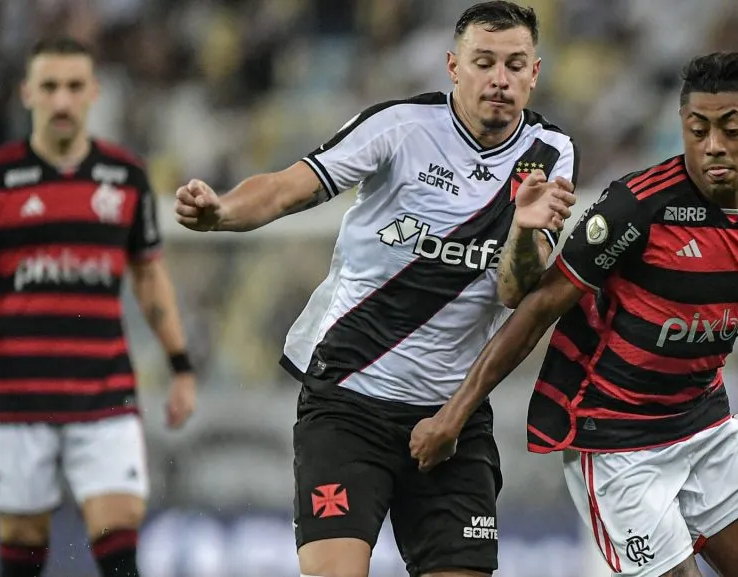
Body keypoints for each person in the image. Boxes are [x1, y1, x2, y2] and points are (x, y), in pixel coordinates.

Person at [409, 51, 738, 577]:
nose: (713, 145)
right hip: (614, 438)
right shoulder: (638, 205)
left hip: (704, 424)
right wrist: (452, 415)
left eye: (730, 129)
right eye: (698, 129)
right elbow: (537, 309)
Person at [174, 3, 577, 575]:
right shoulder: (399, 126)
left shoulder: (550, 154)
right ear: (452, 66)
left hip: (452, 414)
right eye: (483, 62)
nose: (499, 79)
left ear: (535, 72)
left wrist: (520, 229)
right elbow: (293, 186)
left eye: (515, 65)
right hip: (348, 401)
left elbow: (515, 289)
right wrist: (223, 211)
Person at [0, 37, 197, 577]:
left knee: (118, 529)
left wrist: (181, 365)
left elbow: (148, 275)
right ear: (28, 93)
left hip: (104, 388)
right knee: (23, 546)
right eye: (50, 86)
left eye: (75, 86)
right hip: (16, 393)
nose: (63, 100)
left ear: (93, 91)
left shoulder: (125, 178)